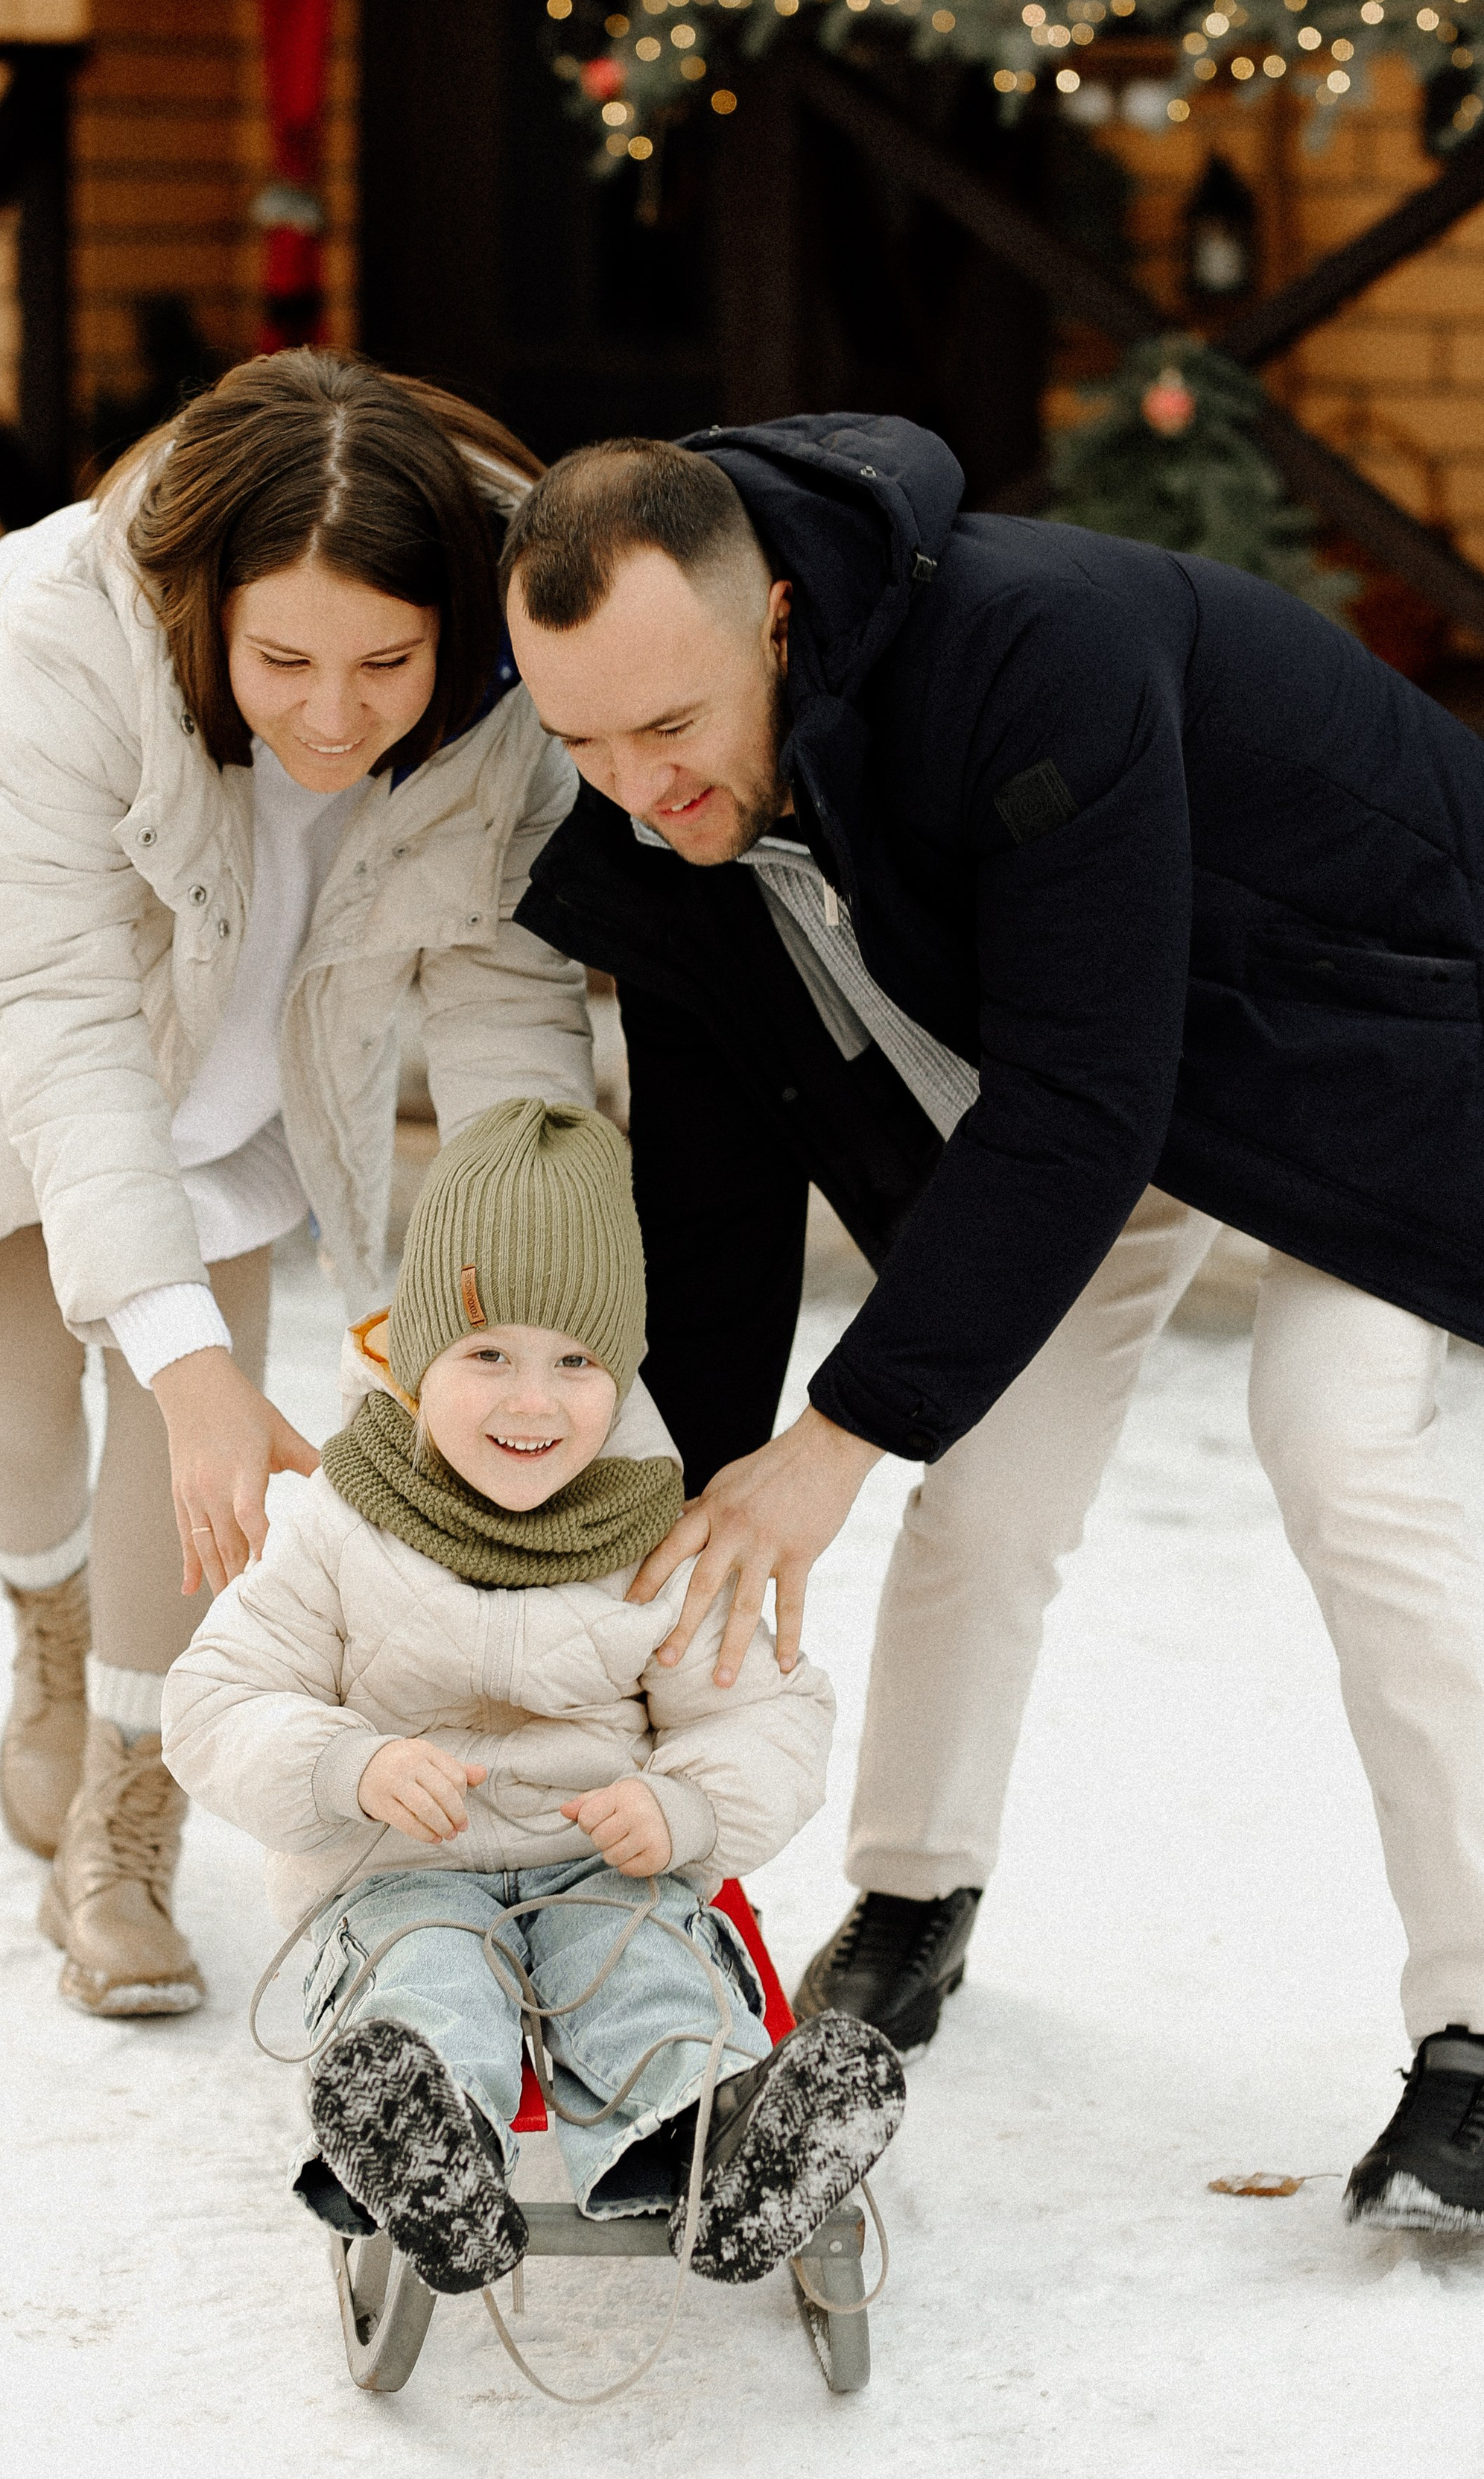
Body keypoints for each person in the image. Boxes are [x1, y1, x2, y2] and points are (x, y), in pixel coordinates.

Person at [498, 418, 1484, 2237]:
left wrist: (835, 1437)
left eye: (667, 726)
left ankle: (1472, 2037)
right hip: (1107, 1086)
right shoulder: (658, 816)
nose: (637, 785)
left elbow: (1078, 1100)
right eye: (576, 741)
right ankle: (912, 1900)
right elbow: (713, 1200)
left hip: (1375, 1038)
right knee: (983, 1486)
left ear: (775, 621)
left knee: (1339, 1455)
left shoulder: (1032, 649)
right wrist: (691, 1493)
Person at [0, 350, 599, 2020]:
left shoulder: (511, 670)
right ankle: (45, 1616)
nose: (335, 714)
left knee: (200, 1433)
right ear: (207, 612)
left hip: (245, 990)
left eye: (385, 663)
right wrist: (177, 1351)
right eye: (280, 660)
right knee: (0, 1390)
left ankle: (125, 1812)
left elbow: (506, 1007)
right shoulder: (70, 636)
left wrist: (528, 1310)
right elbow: (53, 1012)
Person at [162, 1098, 902, 2294]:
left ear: (624, 1372)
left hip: (597, 1864)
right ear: (411, 1357)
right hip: (396, 1869)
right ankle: (424, 2144)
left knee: (647, 1968)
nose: (531, 1400)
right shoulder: (338, 1523)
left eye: (576, 1361)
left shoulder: (661, 1538)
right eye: (487, 1354)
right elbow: (215, 1700)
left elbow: (763, 1711)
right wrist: (346, 1764)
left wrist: (686, 1812)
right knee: (429, 1980)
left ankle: (725, 2145)